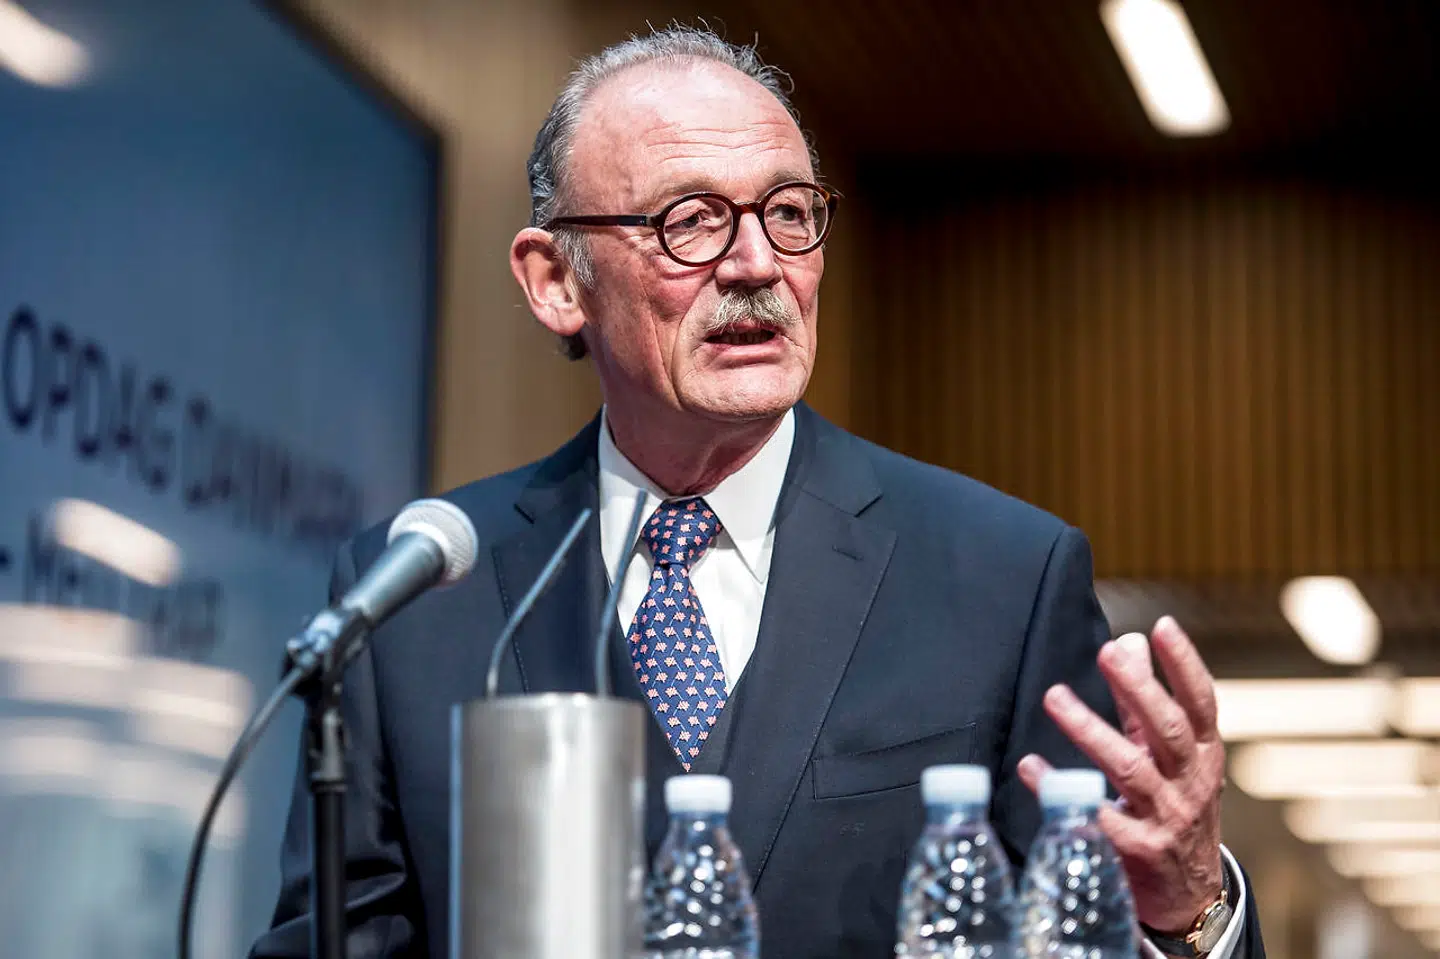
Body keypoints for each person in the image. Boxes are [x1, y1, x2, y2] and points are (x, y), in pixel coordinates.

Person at [252, 26, 1264, 959]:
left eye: (789, 213)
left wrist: (1188, 911)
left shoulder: (1004, 576)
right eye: (690, 220)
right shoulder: (421, 591)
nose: (757, 263)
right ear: (557, 279)